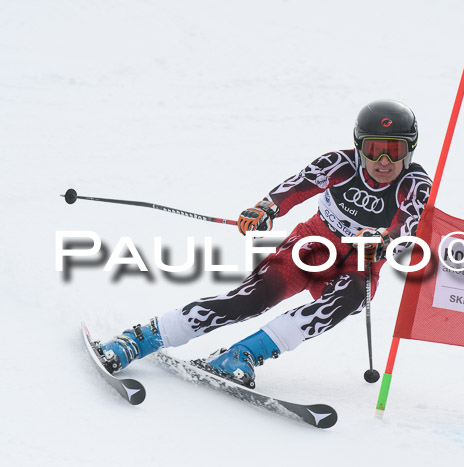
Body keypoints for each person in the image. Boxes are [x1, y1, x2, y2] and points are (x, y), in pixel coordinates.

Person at [97, 99, 433, 388]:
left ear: (409, 151)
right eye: (375, 149)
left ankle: (242, 356)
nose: (384, 161)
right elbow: (297, 186)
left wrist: (385, 240)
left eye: (395, 150)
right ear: (360, 146)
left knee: (345, 301)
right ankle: (138, 339)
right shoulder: (340, 164)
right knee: (252, 299)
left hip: (360, 262)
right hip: (314, 244)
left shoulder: (414, 183)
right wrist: (265, 208)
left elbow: (409, 224)